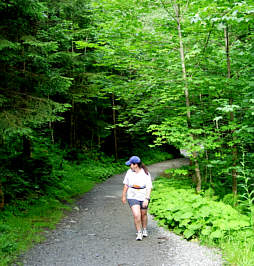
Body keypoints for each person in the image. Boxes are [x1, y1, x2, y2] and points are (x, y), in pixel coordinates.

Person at [121, 156, 153, 241]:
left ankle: (144, 229)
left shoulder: (145, 173)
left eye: (130, 164)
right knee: (136, 214)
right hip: (132, 195)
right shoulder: (129, 172)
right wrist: (123, 196)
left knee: (143, 214)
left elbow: (149, 187)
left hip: (143, 195)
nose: (129, 166)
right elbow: (126, 185)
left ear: (135, 165)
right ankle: (139, 232)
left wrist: (147, 198)